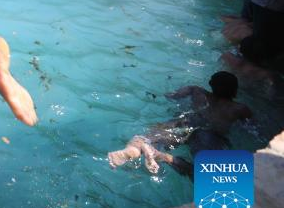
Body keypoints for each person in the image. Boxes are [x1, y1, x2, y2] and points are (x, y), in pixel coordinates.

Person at [107, 72, 252, 176]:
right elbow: (253, 130)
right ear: (235, 90)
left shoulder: (196, 91)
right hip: (208, 135)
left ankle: (132, 150)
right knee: (207, 175)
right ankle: (163, 157)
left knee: (147, 138)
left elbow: (171, 96)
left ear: (210, 84)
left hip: (184, 123)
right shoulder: (240, 109)